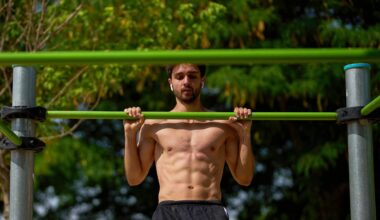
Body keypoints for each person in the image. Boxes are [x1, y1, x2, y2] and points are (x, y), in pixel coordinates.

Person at [123, 63, 255, 220]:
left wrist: (245, 133)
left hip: (210, 210)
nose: (186, 81)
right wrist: (129, 135)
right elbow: (134, 178)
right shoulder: (154, 125)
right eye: (179, 77)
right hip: (169, 212)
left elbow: (244, 178)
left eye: (192, 76)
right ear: (170, 82)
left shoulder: (223, 124)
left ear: (202, 80)